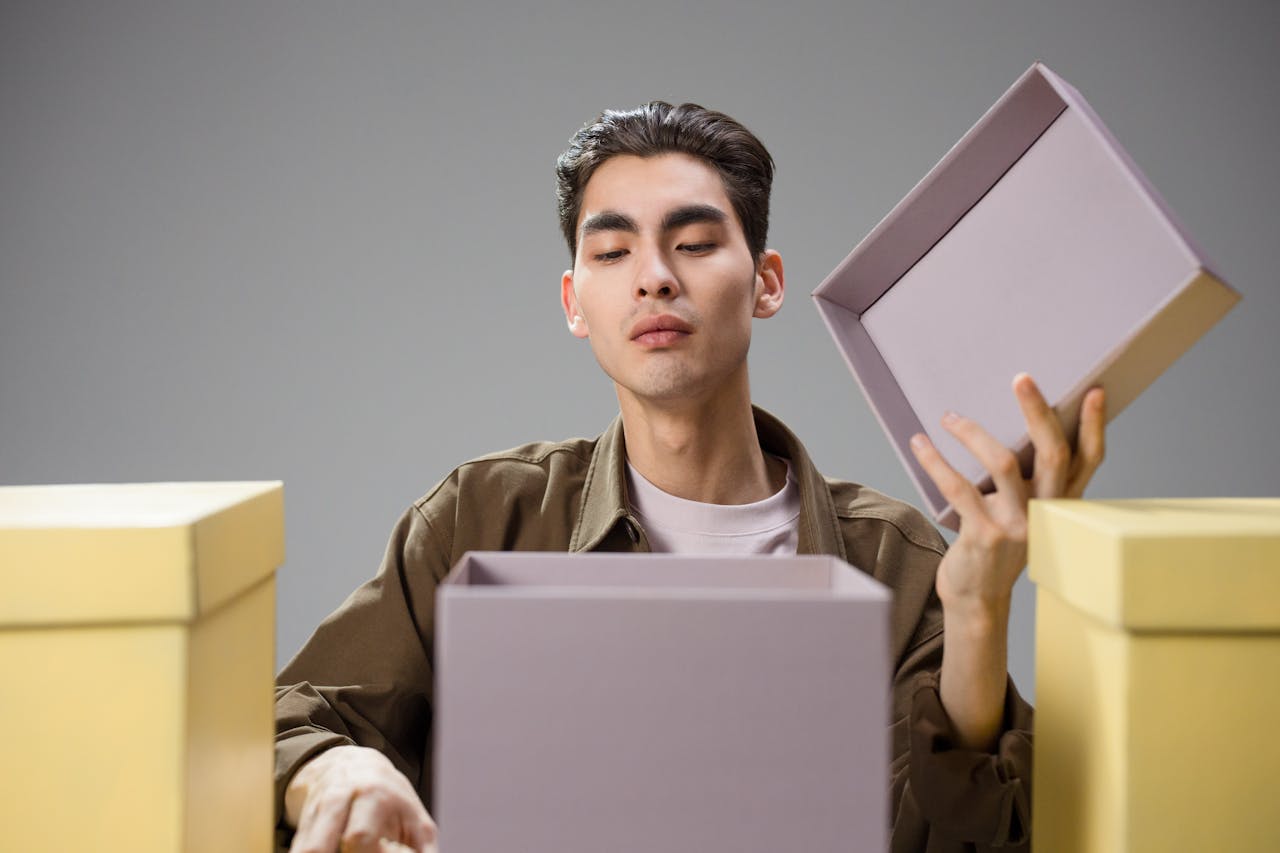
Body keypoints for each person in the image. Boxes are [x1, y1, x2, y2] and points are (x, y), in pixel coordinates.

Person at [274, 102, 1106, 853]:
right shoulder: (481, 519)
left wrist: (979, 610)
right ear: (573, 302)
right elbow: (286, 718)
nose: (654, 276)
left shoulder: (897, 559)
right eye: (612, 251)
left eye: (696, 243)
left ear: (766, 283)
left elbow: (961, 836)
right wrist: (339, 768)